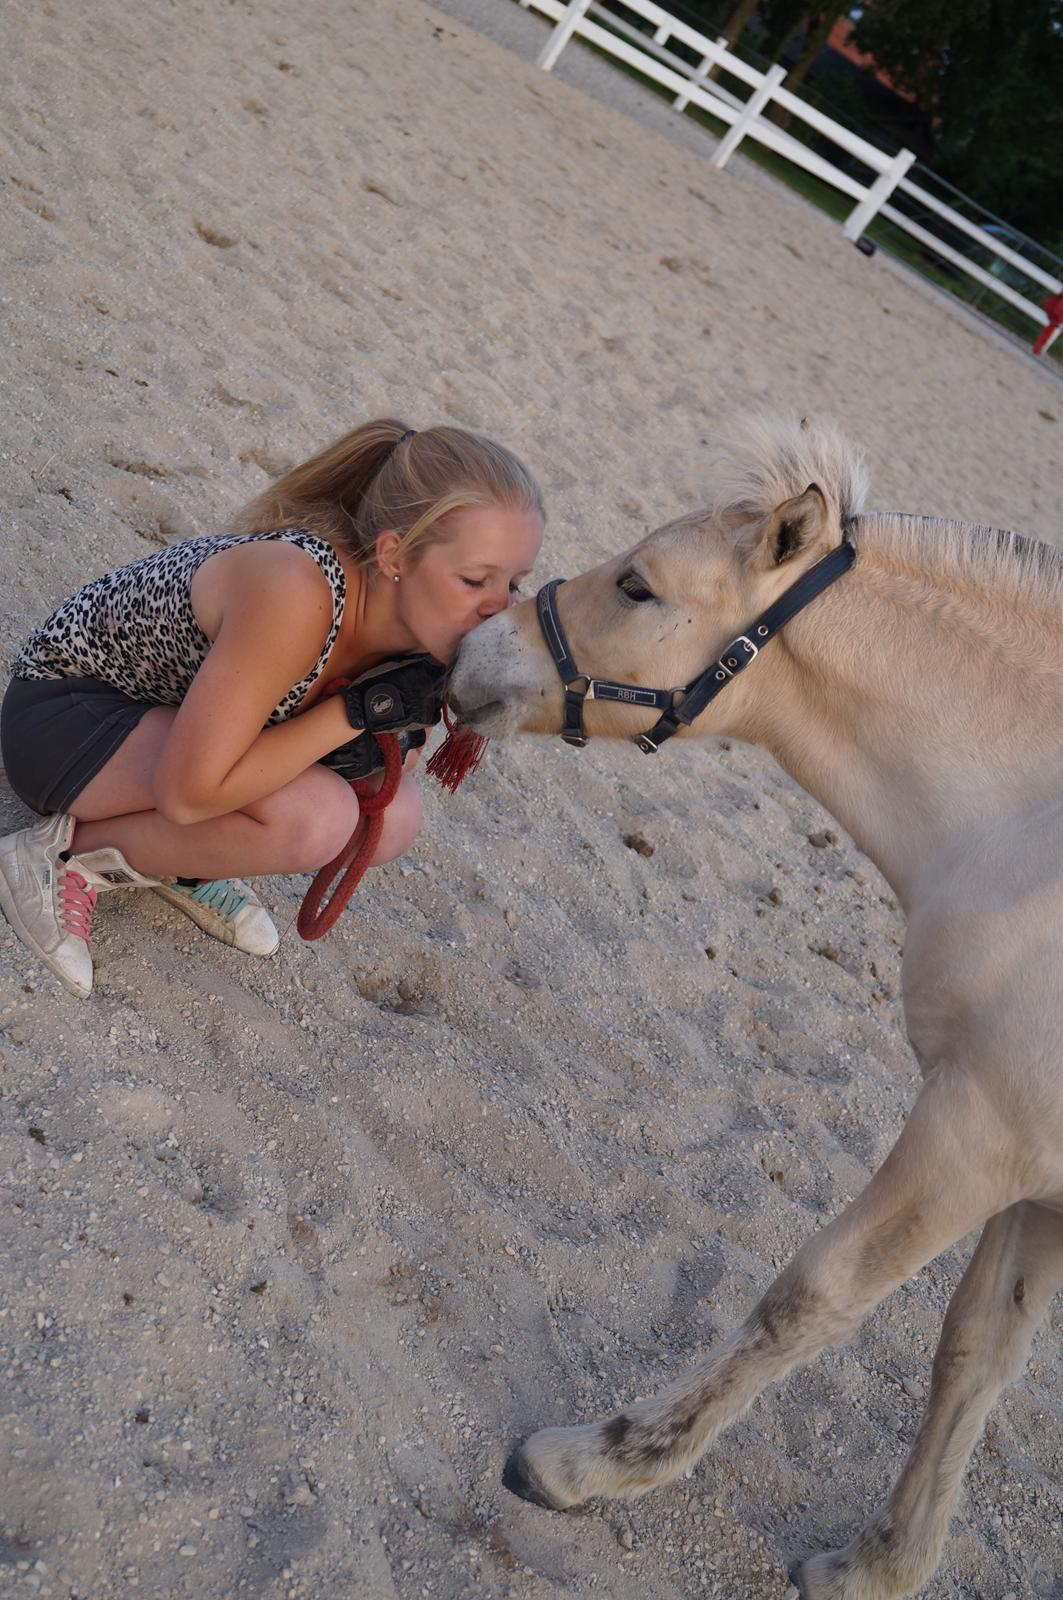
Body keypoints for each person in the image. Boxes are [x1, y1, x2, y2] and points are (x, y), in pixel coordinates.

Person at [0, 420, 544, 997]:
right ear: (395, 555)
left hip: (173, 728)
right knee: (315, 819)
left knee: (391, 818)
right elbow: (188, 794)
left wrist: (398, 727)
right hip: (68, 717)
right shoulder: (296, 589)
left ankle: (167, 857)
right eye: (475, 580)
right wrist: (356, 711)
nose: (499, 608)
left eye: (514, 583)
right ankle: (58, 858)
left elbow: (389, 766)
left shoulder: (422, 628)